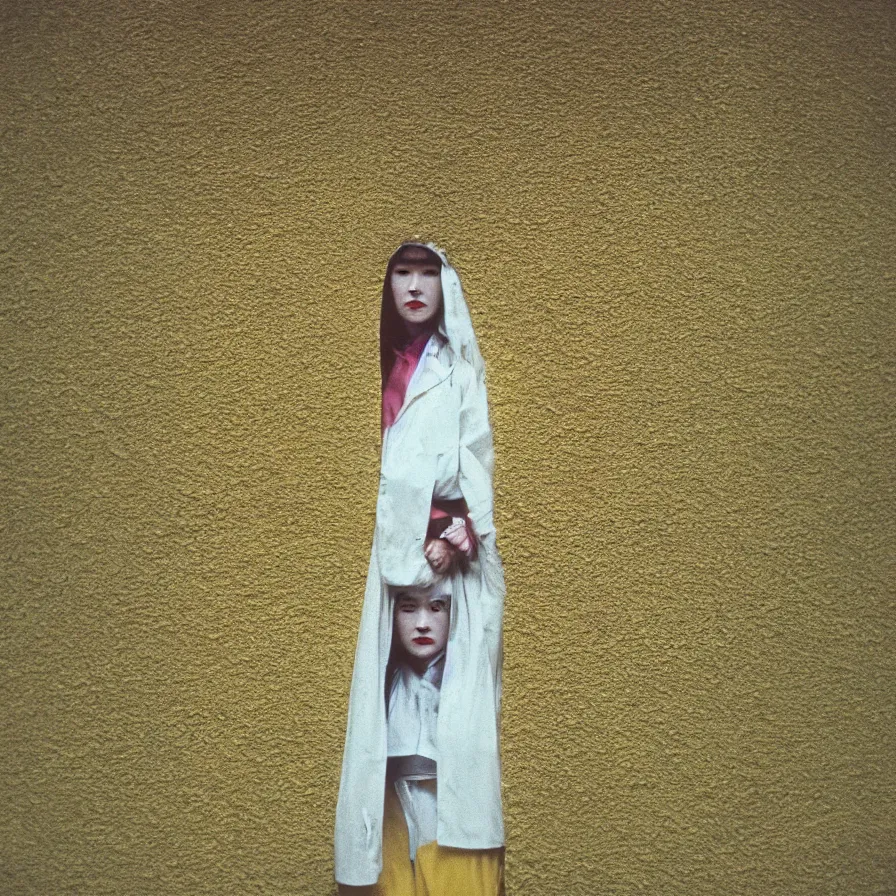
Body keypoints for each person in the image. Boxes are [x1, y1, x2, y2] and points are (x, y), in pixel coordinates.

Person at [335, 243, 505, 891]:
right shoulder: (380, 366)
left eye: (428, 273)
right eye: (401, 272)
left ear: (446, 285)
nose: (413, 286)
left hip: (432, 556)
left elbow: (476, 475)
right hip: (383, 554)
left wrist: (452, 536)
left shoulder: (456, 373)